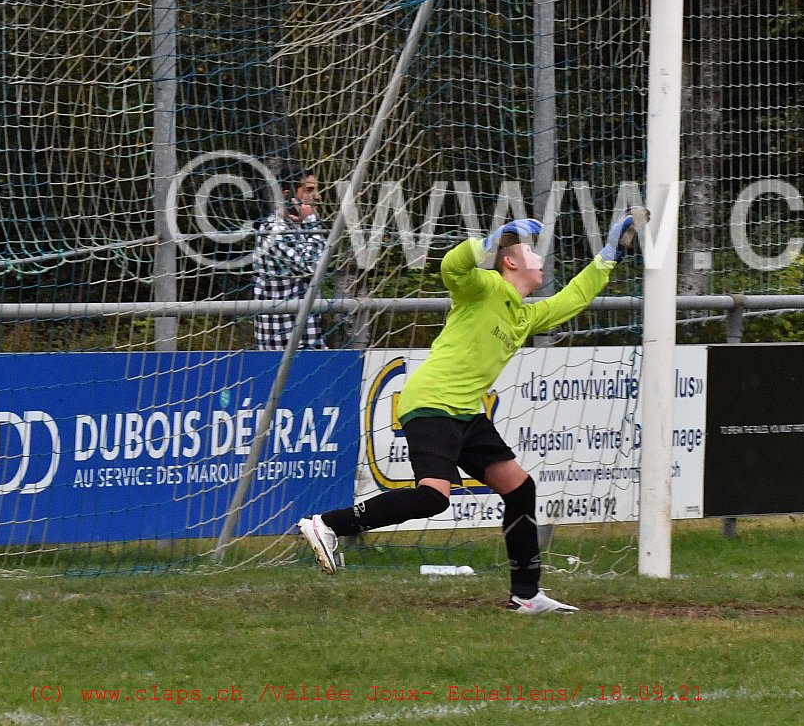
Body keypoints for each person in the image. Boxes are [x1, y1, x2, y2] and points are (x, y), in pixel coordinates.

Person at [298, 211, 641, 614]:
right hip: (432, 404)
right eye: (530, 250)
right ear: (510, 261)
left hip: (465, 413)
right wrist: (493, 240)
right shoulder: (484, 288)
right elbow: (452, 267)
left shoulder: (523, 313)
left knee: (519, 488)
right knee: (433, 498)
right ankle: (328, 524)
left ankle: (526, 596)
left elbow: (575, 297)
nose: (540, 258)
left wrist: (609, 254)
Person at [253, 165, 328, 350]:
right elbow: (312, 267)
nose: (317, 196)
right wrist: (312, 222)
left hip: (308, 342)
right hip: (281, 347)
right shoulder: (273, 229)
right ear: (288, 196)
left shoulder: (301, 229)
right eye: (309, 190)